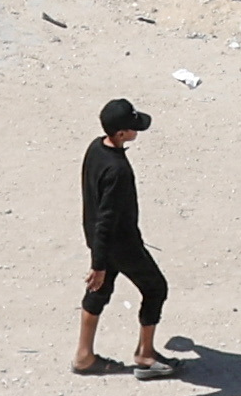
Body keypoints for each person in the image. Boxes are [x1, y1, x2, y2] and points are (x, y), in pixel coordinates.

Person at [71, 98, 169, 372]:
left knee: (98, 291)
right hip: (120, 244)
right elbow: (108, 218)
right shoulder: (118, 170)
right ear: (121, 133)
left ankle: (84, 356)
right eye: (133, 127)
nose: (137, 130)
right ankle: (145, 355)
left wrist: (98, 256)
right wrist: (99, 265)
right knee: (156, 288)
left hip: (99, 241)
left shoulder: (95, 148)